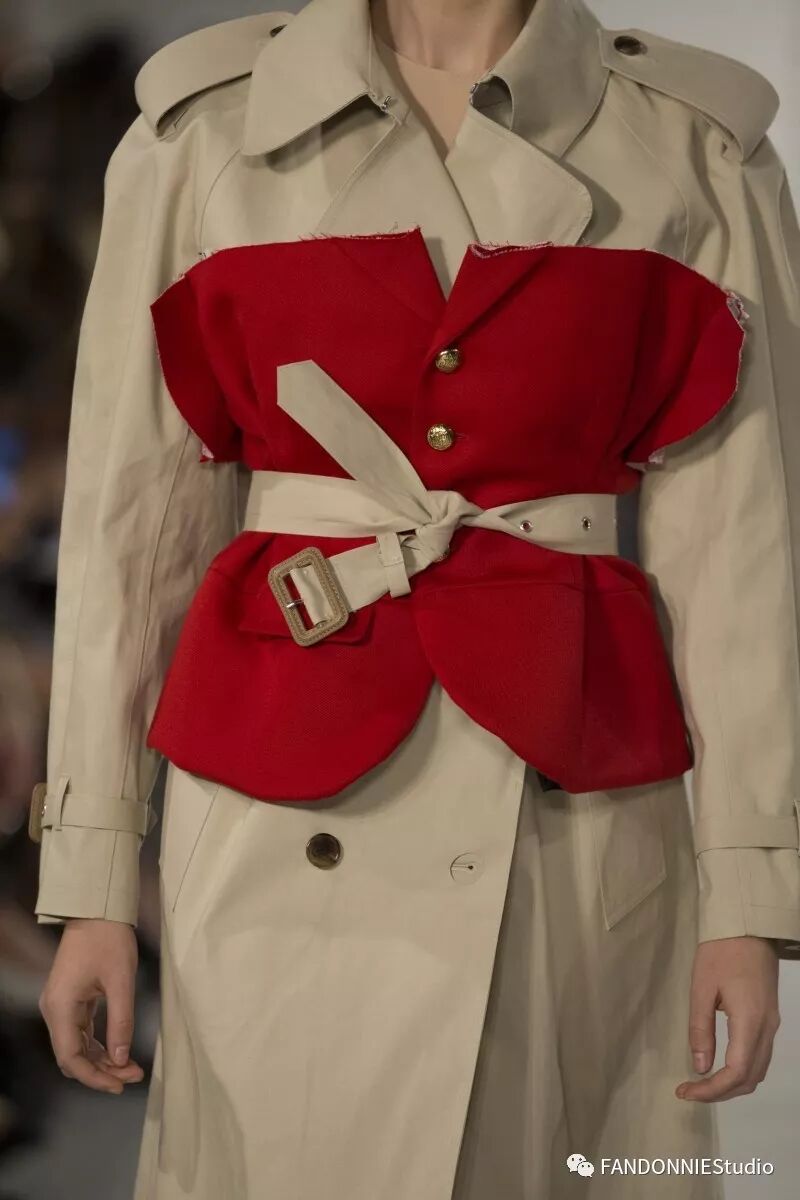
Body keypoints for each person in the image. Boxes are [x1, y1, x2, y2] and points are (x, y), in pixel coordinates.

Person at [30, 0, 800, 1197]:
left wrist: (746, 893)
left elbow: (744, 553)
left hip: (568, 816)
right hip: (272, 805)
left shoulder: (693, 147)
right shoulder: (205, 135)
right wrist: (89, 883)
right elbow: (128, 536)